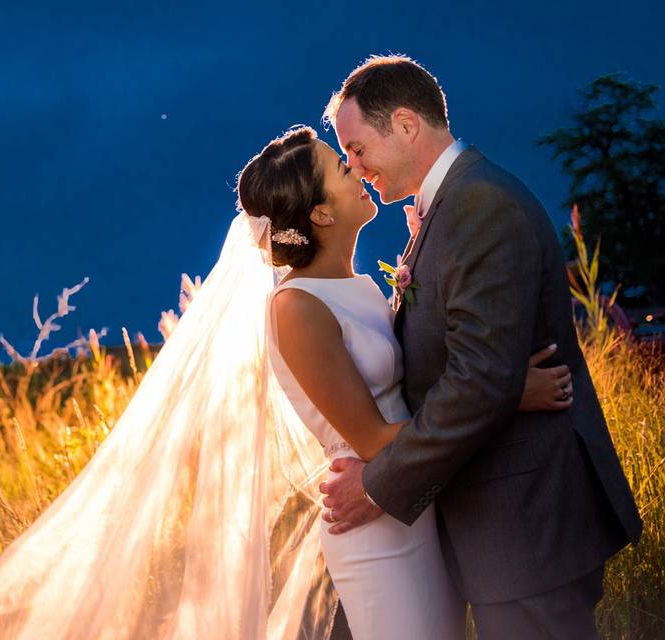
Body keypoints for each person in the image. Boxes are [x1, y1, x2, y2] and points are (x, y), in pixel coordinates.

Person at [318, 55, 643, 639]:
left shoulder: (478, 205)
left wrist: (377, 484)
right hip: (499, 528)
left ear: (407, 124)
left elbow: (478, 381)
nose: (355, 166)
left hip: (526, 525)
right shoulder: (451, 206)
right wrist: (509, 392)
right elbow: (469, 373)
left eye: (359, 148)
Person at [239, 124, 572, 639]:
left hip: (415, 504)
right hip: (374, 530)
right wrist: (507, 394)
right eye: (340, 166)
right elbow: (371, 438)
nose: (356, 168)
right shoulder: (296, 307)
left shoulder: (362, 287)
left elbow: (411, 390)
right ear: (321, 214)